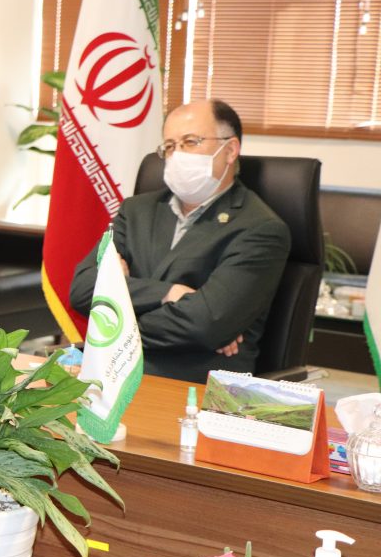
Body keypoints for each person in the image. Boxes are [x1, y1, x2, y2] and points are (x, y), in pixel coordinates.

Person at [69, 99, 291, 382]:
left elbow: (205, 325)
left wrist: (114, 311)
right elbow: (82, 289)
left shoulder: (260, 228)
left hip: (191, 383)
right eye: (170, 146)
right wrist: (169, 293)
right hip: (109, 373)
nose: (178, 155)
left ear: (230, 150)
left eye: (190, 142)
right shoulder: (136, 211)